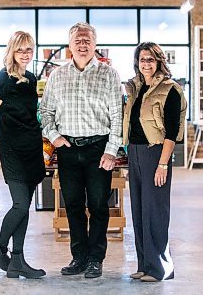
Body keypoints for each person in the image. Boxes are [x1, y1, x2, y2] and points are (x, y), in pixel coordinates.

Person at [40, 22, 123, 279]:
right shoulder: (57, 75)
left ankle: (96, 259)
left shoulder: (109, 74)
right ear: (70, 45)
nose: (83, 44)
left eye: (87, 40)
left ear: (95, 45)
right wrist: (55, 138)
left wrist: (111, 151)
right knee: (73, 205)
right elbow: (45, 112)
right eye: (78, 40)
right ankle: (79, 257)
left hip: (99, 149)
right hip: (68, 149)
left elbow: (117, 116)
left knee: (98, 206)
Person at [122, 42, 187, 282]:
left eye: (150, 59)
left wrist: (162, 164)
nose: (146, 64)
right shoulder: (136, 88)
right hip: (136, 152)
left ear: (159, 61)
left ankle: (160, 268)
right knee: (139, 210)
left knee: (155, 211)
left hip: (156, 153)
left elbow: (172, 131)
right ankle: (144, 265)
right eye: (142, 59)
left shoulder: (170, 89)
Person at [0, 31, 46, 279]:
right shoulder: (3, 79)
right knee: (20, 204)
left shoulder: (30, 79)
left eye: (29, 49)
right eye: (21, 50)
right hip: (11, 150)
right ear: (11, 51)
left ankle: (17, 260)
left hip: (31, 149)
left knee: (25, 207)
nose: (26, 54)